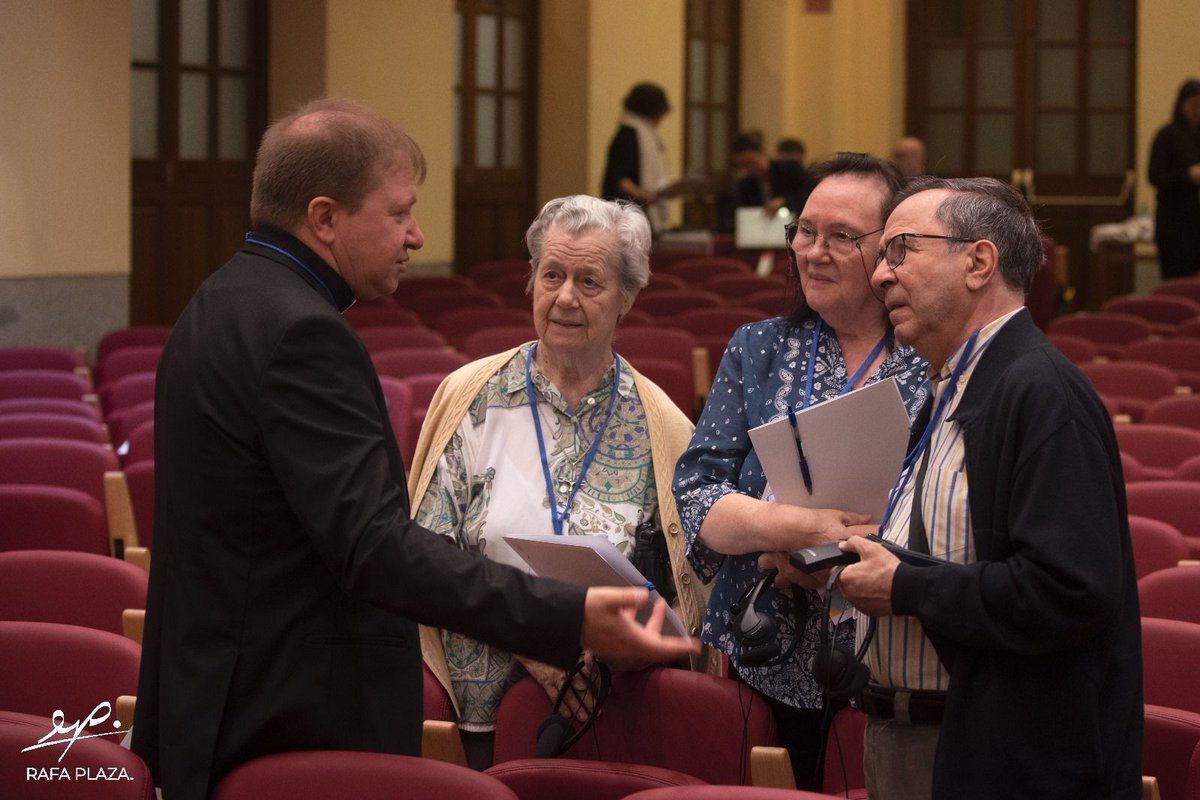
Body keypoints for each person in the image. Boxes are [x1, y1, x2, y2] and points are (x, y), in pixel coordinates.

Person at [131, 98, 696, 800]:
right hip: (281, 714)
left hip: (216, 694)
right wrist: (570, 614)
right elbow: (376, 550)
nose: (416, 235)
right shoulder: (305, 335)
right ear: (326, 218)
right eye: (398, 213)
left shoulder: (220, 299)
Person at [835, 176, 1142, 799]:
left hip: (1000, 758)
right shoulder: (954, 382)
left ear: (978, 261)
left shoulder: (1041, 391)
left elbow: (1067, 591)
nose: (879, 276)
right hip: (919, 738)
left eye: (901, 251)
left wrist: (904, 583)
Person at [408, 194, 716, 769]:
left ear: (627, 297)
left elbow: (684, 590)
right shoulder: (469, 398)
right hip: (474, 716)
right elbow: (423, 558)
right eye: (552, 275)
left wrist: (625, 647)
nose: (565, 298)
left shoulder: (665, 427)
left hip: (617, 716)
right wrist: (538, 641)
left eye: (590, 281)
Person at [672, 153, 928, 789]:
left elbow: (951, 510)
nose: (814, 251)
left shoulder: (934, 361)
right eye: (804, 231)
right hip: (765, 649)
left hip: (896, 658)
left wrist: (832, 556)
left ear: (893, 249)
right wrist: (787, 530)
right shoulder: (758, 348)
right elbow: (699, 492)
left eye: (841, 236)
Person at [601, 83, 674, 232]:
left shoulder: (640, 133)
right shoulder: (628, 135)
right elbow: (619, 177)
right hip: (624, 214)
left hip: (636, 211)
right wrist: (645, 196)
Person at [1148, 78, 1200, 279]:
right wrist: (1188, 175)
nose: (1197, 111)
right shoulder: (1167, 136)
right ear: (1182, 105)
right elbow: (1154, 176)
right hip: (1173, 223)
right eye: (1193, 105)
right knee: (1176, 277)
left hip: (1196, 221)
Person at [731, 131, 814, 218]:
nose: (747, 169)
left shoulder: (791, 169)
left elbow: (807, 195)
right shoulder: (745, 185)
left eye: (750, 162)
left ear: (762, 152)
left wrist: (784, 200)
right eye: (742, 165)